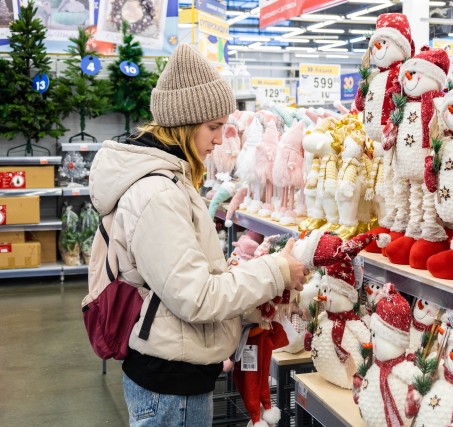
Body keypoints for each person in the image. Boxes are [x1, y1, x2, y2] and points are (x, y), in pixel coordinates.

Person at [88, 43, 308, 427]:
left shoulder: (171, 180)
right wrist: (274, 271)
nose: (222, 138)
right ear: (183, 125)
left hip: (176, 378)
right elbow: (196, 297)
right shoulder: (157, 194)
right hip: (171, 389)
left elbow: (188, 280)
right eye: (213, 127)